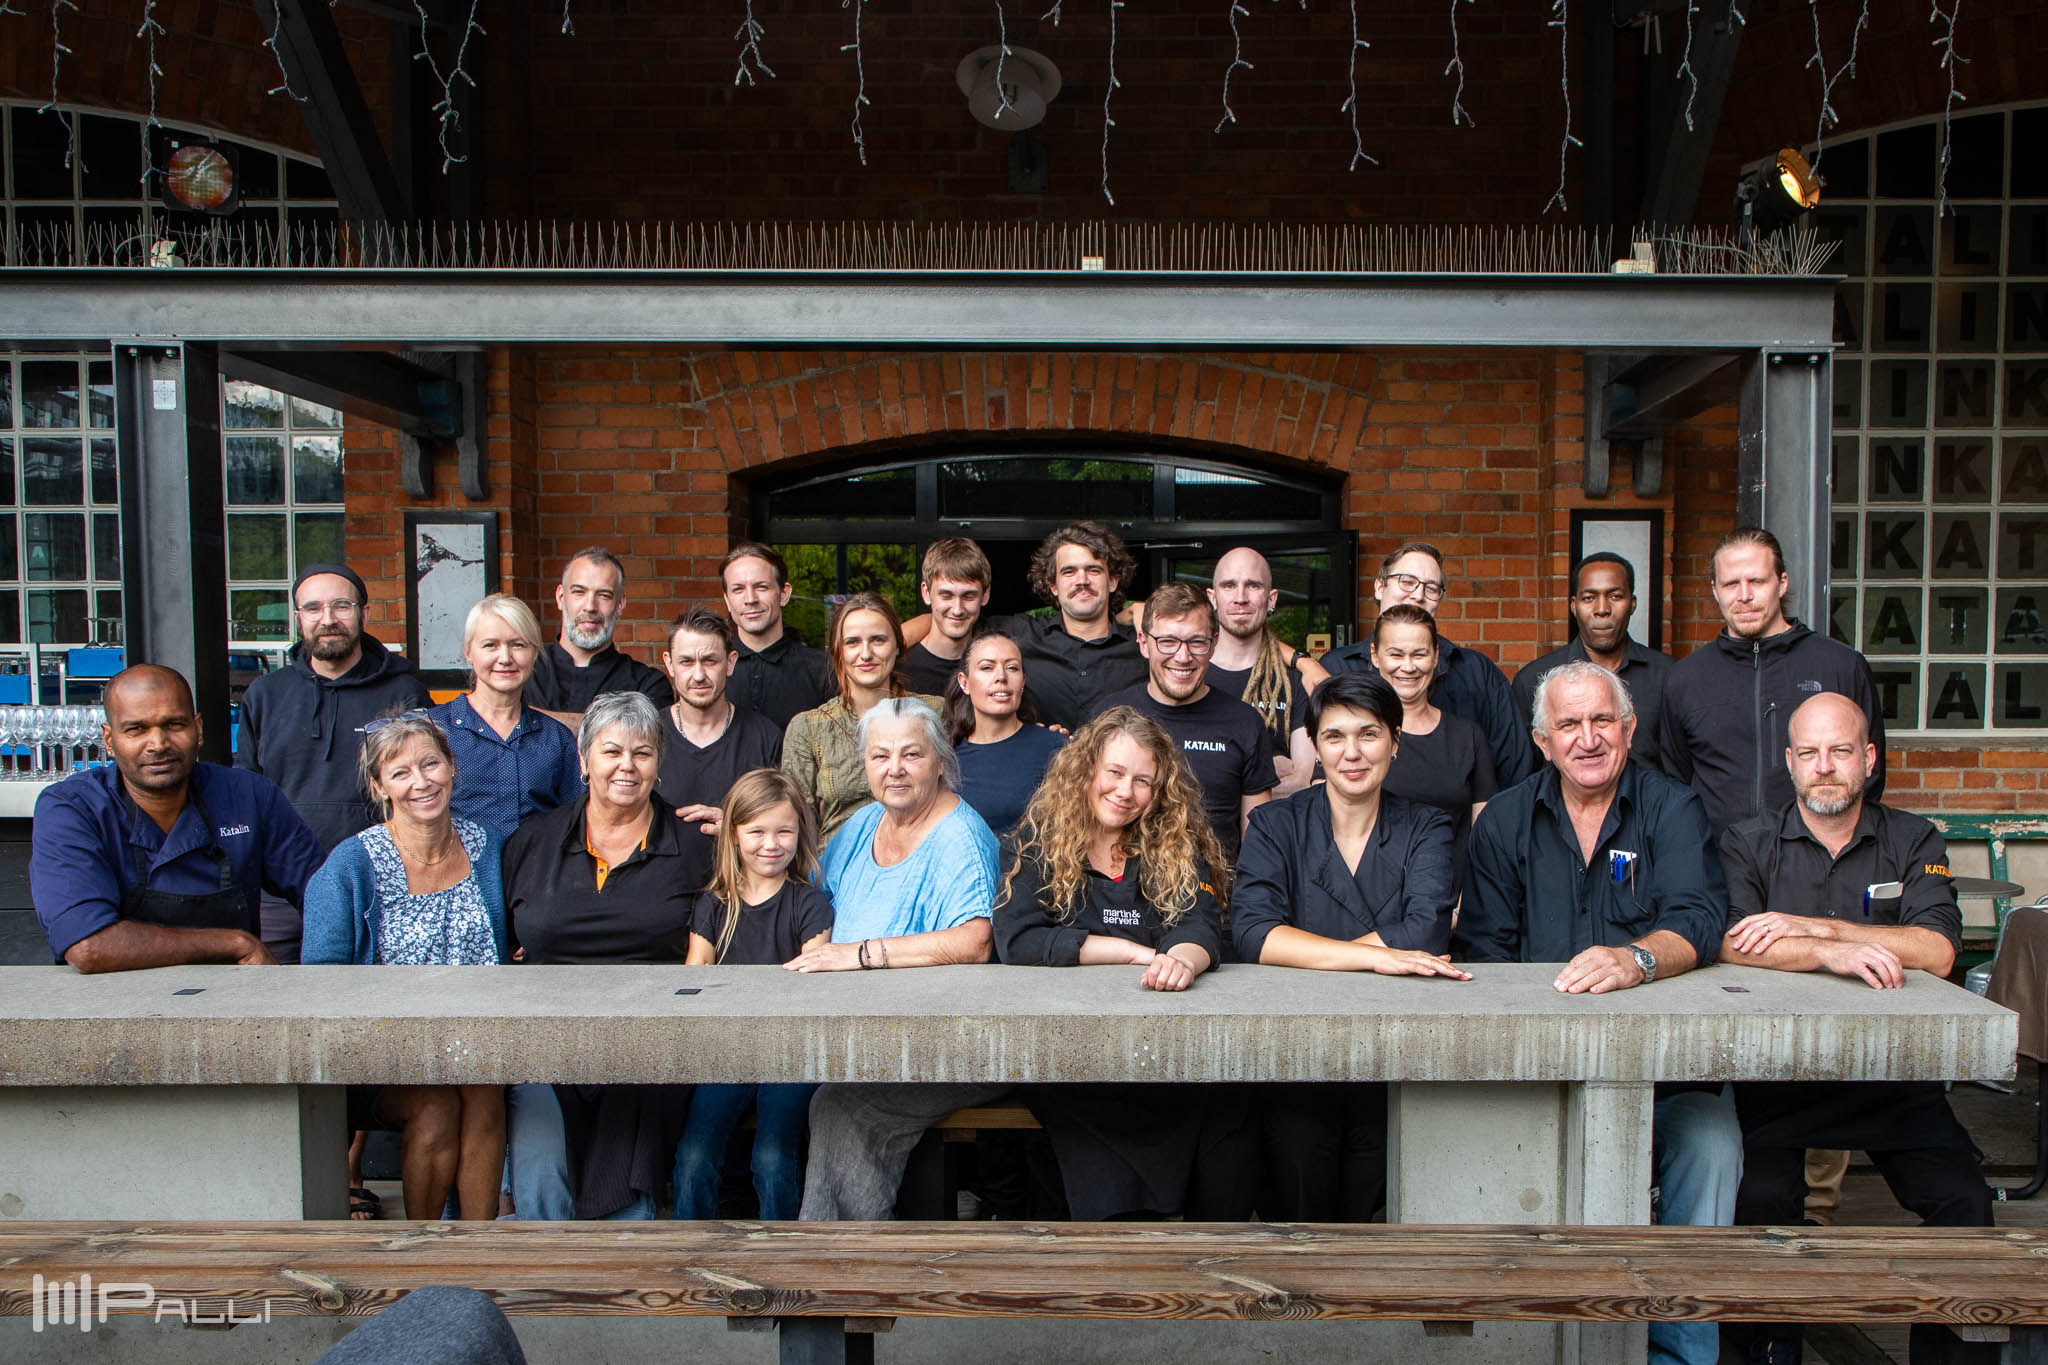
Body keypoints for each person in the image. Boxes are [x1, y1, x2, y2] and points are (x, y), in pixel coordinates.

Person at [1457, 659, 1740, 1365]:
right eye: (1569, 724)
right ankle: (1522, 1347)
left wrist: (1635, 958)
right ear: (1543, 740)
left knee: (1712, 1141)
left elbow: (1700, 920)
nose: (1588, 737)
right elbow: (1484, 954)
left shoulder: (1672, 808)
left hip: (1664, 1074)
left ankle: (1680, 1352)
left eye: (1602, 720)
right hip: (1537, 1077)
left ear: (1629, 728)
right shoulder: (1505, 822)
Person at [1718, 693, 1995, 1365]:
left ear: (1868, 759)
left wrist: (1814, 929)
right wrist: (1835, 954)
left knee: (1966, 1203)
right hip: (1775, 1081)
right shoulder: (1747, 840)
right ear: (1789, 762)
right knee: (1758, 1206)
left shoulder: (1912, 838)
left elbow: (1939, 949)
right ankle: (1769, 1353)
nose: (1825, 767)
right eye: (1809, 752)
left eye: (1840, 750)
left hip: (1893, 1079)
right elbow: (1731, 942)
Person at [992, 706, 1257, 1220]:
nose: (1125, 791)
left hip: (1167, 1051)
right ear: (1087, 770)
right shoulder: (1033, 842)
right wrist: (1127, 952)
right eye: (1114, 773)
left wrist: (1182, 960)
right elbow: (1018, 939)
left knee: (1231, 1109)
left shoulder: (1177, 843)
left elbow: (1201, 923)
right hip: (1070, 1052)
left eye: (1143, 781)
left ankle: (1198, 1258)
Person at [1233, 672, 1472, 1222]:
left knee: (1381, 1208)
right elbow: (1252, 933)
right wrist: (1375, 956)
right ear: (1314, 746)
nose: (1352, 753)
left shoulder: (1428, 826)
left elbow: (1427, 931)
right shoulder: (1274, 825)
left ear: (1395, 740)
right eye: (1335, 736)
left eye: (1369, 734)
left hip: (1397, 1055)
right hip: (1293, 1053)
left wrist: (1306, 952)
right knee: (1298, 1206)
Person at [795, 698, 1003, 1221]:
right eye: (880, 755)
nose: (894, 769)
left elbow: (976, 941)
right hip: (863, 1033)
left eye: (911, 754)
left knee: (840, 1107)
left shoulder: (960, 835)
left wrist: (862, 955)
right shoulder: (863, 824)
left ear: (939, 760)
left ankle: (848, 1269)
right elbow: (813, 904)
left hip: (946, 1040)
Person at [301, 711, 509, 1221]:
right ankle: (424, 1252)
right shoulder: (350, 867)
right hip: (379, 1054)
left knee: (486, 1086)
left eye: (431, 764)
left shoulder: (490, 848)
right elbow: (319, 982)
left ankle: (476, 1252)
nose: (421, 782)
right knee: (436, 1102)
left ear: (452, 767)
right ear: (379, 787)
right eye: (400, 773)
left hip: (474, 1042)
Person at [500, 693, 696, 1220]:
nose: (626, 767)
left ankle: (622, 1269)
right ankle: (552, 1279)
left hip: (652, 1036)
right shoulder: (531, 842)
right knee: (540, 1160)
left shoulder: (693, 848)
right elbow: (501, 947)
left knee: (628, 1164)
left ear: (660, 762)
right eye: (611, 752)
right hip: (544, 1036)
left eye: (643, 752)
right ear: (584, 761)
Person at [31, 664, 322, 973]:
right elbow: (89, 946)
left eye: (174, 724)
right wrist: (236, 943)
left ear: (198, 729)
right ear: (109, 739)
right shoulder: (73, 808)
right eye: (137, 729)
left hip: (235, 999)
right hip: (111, 1006)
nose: (158, 744)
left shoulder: (248, 795)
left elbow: (323, 892)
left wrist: (328, 974)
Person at [235, 561, 433, 961]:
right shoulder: (265, 695)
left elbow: (422, 788)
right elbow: (247, 793)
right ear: (298, 618)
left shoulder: (404, 692)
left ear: (364, 613)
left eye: (341, 606)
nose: (327, 619)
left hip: (378, 884)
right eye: (313, 609)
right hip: (278, 896)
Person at [672, 769, 835, 1221]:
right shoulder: (714, 904)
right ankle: (686, 1254)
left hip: (790, 1053)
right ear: (734, 835)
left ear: (800, 833)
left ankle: (782, 1256)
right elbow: (694, 978)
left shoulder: (809, 904)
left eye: (784, 831)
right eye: (757, 831)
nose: (771, 843)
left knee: (772, 1158)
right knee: (693, 1158)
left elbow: (812, 982)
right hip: (727, 1051)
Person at [1660, 525, 1885, 832]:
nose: (1744, 595)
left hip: (1818, 863)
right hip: (1718, 866)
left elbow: (1869, 773)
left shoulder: (1841, 666)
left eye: (1757, 581)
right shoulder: (1685, 679)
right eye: (1730, 584)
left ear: (1781, 583)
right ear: (1715, 590)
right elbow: (1675, 782)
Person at [1322, 541, 1537, 788]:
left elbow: (1514, 767)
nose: (1418, 594)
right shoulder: (1338, 668)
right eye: (1406, 581)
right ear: (1380, 586)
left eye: (1431, 588)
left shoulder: (1477, 672)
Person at [1092, 580, 1277, 866]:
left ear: (1213, 644)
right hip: (1120, 899)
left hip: (1213, 900)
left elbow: (1259, 848)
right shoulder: (1107, 715)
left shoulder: (1245, 723)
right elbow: (1081, 821)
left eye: (1196, 642)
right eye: (1167, 641)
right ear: (1144, 643)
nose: (1183, 656)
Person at [782, 591, 942, 840]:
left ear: (897, 645)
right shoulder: (808, 728)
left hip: (918, 862)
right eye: (853, 642)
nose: (866, 654)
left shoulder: (933, 713)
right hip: (836, 871)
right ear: (838, 651)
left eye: (878, 640)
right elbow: (794, 823)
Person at [427, 594, 583, 843]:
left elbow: (574, 823)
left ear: (534, 653)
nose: (505, 658)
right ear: (469, 651)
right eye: (490, 645)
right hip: (458, 877)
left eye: (518, 645)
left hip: (534, 877)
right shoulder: (434, 731)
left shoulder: (556, 739)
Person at [654, 606, 785, 894]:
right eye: (686, 662)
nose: (698, 675)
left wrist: (734, 829)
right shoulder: (648, 737)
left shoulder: (764, 737)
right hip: (659, 899)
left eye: (710, 661)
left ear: (730, 662)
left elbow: (786, 828)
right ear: (669, 664)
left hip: (742, 897)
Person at [1512, 552, 1674, 772]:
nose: (1602, 609)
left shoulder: (1670, 676)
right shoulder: (1533, 680)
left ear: (1632, 603)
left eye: (1615, 596)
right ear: (1574, 606)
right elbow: (1524, 776)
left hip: (1652, 805)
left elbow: (1680, 771)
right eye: (1589, 598)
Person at [1370, 604, 1497, 884]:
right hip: (1371, 904)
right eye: (1396, 654)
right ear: (1375, 655)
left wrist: (1466, 906)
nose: (1408, 666)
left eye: (1419, 654)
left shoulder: (1468, 737)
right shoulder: (1353, 736)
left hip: (1451, 906)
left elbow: (1485, 839)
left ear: (1436, 656)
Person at [1205, 546, 1329, 796]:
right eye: (1229, 585)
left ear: (1271, 598)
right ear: (1212, 597)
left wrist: (1218, 777)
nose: (1240, 597)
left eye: (1253, 585)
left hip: (1271, 833)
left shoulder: (1295, 681)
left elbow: (1303, 782)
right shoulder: (1189, 672)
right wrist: (1262, 771)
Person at [524, 547, 673, 722]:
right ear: (560, 597)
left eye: (604, 595)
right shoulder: (523, 670)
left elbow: (636, 740)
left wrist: (525, 716)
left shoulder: (647, 684)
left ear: (620, 604)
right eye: (579, 592)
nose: (590, 606)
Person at [943, 626, 1066, 837]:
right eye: (987, 667)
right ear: (964, 683)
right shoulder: (945, 755)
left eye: (1012, 667)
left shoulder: (1056, 748)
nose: (1001, 676)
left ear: (1023, 682)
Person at [722, 541, 836, 729]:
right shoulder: (712, 670)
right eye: (738, 589)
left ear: (784, 594)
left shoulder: (823, 670)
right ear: (727, 600)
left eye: (761, 587)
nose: (750, 599)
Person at [903, 538, 992, 694]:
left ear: (985, 595)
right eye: (946, 595)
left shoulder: (998, 665)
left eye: (969, 596)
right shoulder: (900, 671)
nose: (957, 609)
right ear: (926, 593)